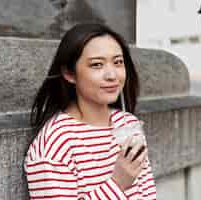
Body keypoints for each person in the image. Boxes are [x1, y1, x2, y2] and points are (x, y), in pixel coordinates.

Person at [24, 23, 157, 200]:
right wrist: (117, 184)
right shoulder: (55, 144)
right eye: (97, 65)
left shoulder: (128, 123)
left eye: (118, 62)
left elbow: (147, 194)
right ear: (69, 73)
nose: (112, 75)